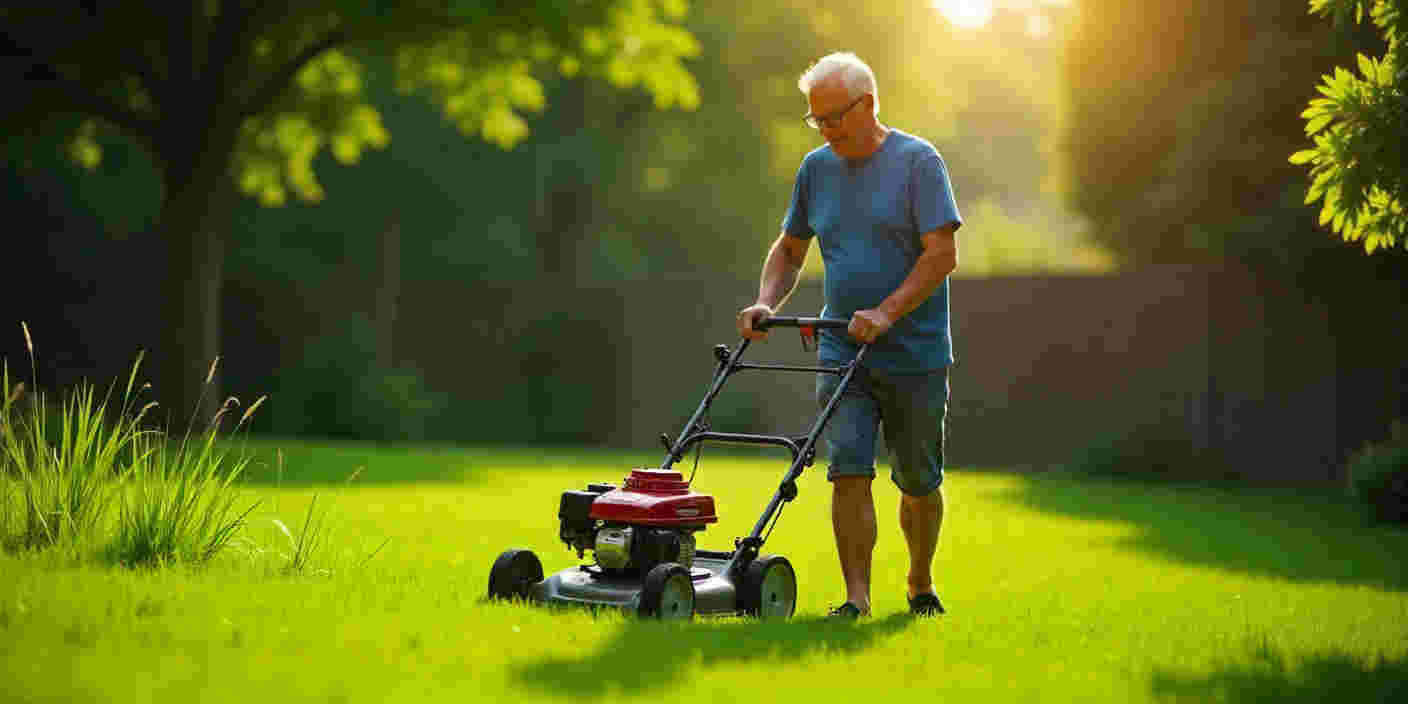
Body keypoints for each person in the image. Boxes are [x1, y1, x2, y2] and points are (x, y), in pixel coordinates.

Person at [736, 52, 961, 619]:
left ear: (869, 105)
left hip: (915, 352)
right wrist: (765, 302)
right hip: (842, 349)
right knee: (848, 471)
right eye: (817, 119)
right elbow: (790, 249)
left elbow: (941, 255)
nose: (826, 129)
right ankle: (856, 599)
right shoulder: (815, 170)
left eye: (835, 117)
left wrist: (886, 312)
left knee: (918, 481)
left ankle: (919, 580)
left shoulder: (918, 163)